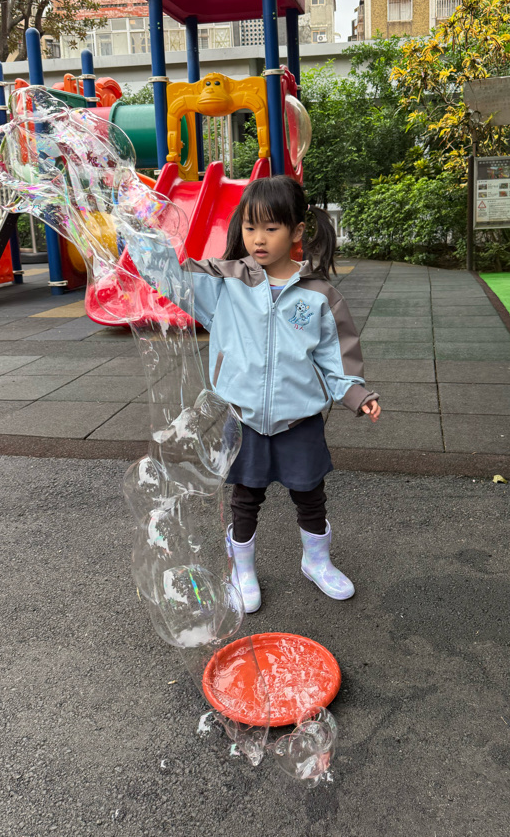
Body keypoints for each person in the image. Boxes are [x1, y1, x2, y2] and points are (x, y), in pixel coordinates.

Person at [127, 175, 380, 611]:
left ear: (297, 231)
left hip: (299, 420)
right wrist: (135, 230)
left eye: (270, 228)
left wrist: (356, 394)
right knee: (245, 498)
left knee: (310, 494)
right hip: (241, 419)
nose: (258, 238)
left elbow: (335, 357)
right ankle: (241, 571)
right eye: (249, 227)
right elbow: (167, 275)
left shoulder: (319, 296)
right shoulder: (226, 283)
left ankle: (317, 562)